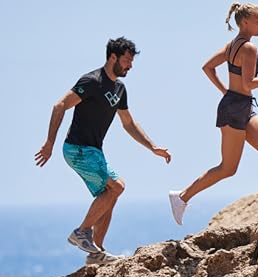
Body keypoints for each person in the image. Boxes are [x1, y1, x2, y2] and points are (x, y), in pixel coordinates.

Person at [35, 36, 171, 264]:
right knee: (117, 186)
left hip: (94, 151)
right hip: (78, 149)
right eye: (127, 60)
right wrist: (49, 143)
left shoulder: (119, 88)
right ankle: (82, 232)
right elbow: (60, 105)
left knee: (110, 195)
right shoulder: (92, 81)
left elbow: (128, 123)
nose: (130, 65)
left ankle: (95, 253)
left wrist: (152, 147)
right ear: (113, 57)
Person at [169, 1, 258, 225]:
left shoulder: (232, 45)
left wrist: (226, 91)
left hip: (240, 106)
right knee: (228, 168)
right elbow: (247, 85)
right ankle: (181, 197)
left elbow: (208, 67)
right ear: (245, 22)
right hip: (235, 109)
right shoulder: (247, 48)